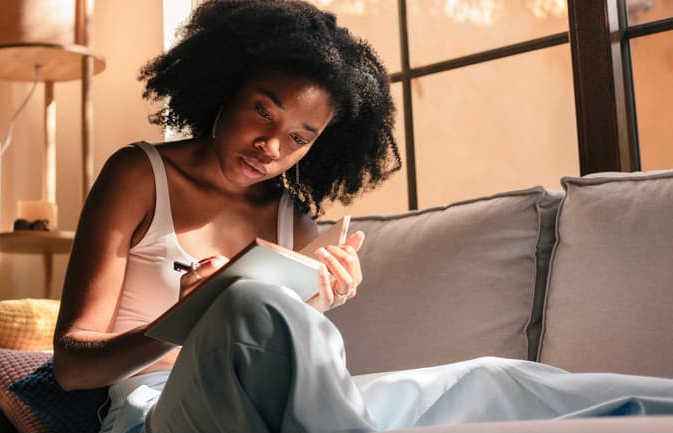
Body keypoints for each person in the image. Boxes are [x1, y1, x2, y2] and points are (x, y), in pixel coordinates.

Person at [53, 1, 673, 433]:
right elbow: (75, 367)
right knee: (244, 306)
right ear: (224, 92)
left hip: (287, 405)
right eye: (261, 112)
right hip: (156, 409)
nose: (273, 146)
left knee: (492, 379)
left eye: (299, 137)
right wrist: (186, 316)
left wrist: (323, 298)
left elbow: (292, 354)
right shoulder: (139, 174)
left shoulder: (287, 216)